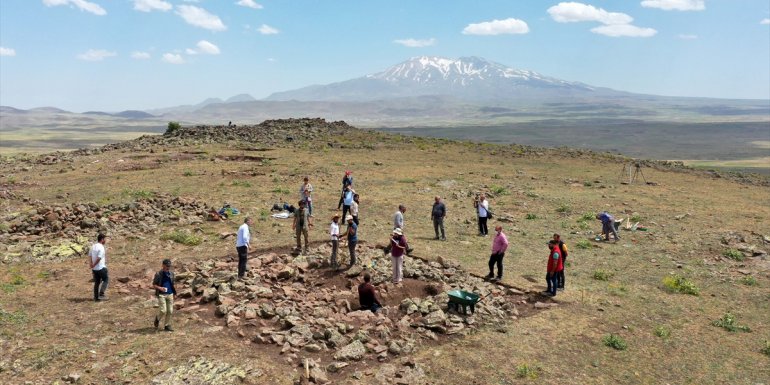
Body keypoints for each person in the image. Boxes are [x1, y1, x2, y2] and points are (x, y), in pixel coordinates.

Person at [152, 258, 176, 332]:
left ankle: (167, 325)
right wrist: (160, 288)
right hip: (162, 294)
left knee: (170, 311)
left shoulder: (171, 274)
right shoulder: (158, 274)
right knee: (163, 310)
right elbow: (154, 285)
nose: (167, 267)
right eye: (166, 266)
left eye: (169, 266)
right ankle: (157, 319)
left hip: (170, 294)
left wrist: (174, 293)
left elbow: (172, 284)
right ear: (162, 265)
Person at [89, 233, 109, 302]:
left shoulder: (93, 246)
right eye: (105, 239)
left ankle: (96, 298)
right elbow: (99, 258)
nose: (105, 241)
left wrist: (91, 264)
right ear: (102, 239)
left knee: (97, 282)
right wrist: (94, 264)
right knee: (106, 279)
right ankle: (101, 294)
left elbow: (90, 255)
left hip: (94, 269)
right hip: (100, 267)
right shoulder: (101, 247)